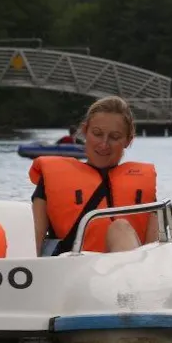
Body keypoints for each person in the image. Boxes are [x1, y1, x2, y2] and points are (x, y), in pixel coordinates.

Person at [30, 95, 158, 256]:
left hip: (129, 269)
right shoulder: (50, 178)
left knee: (120, 228)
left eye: (114, 137)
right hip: (68, 271)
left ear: (128, 140)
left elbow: (156, 251)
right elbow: (34, 240)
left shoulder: (142, 183)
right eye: (97, 134)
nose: (104, 144)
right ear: (85, 131)